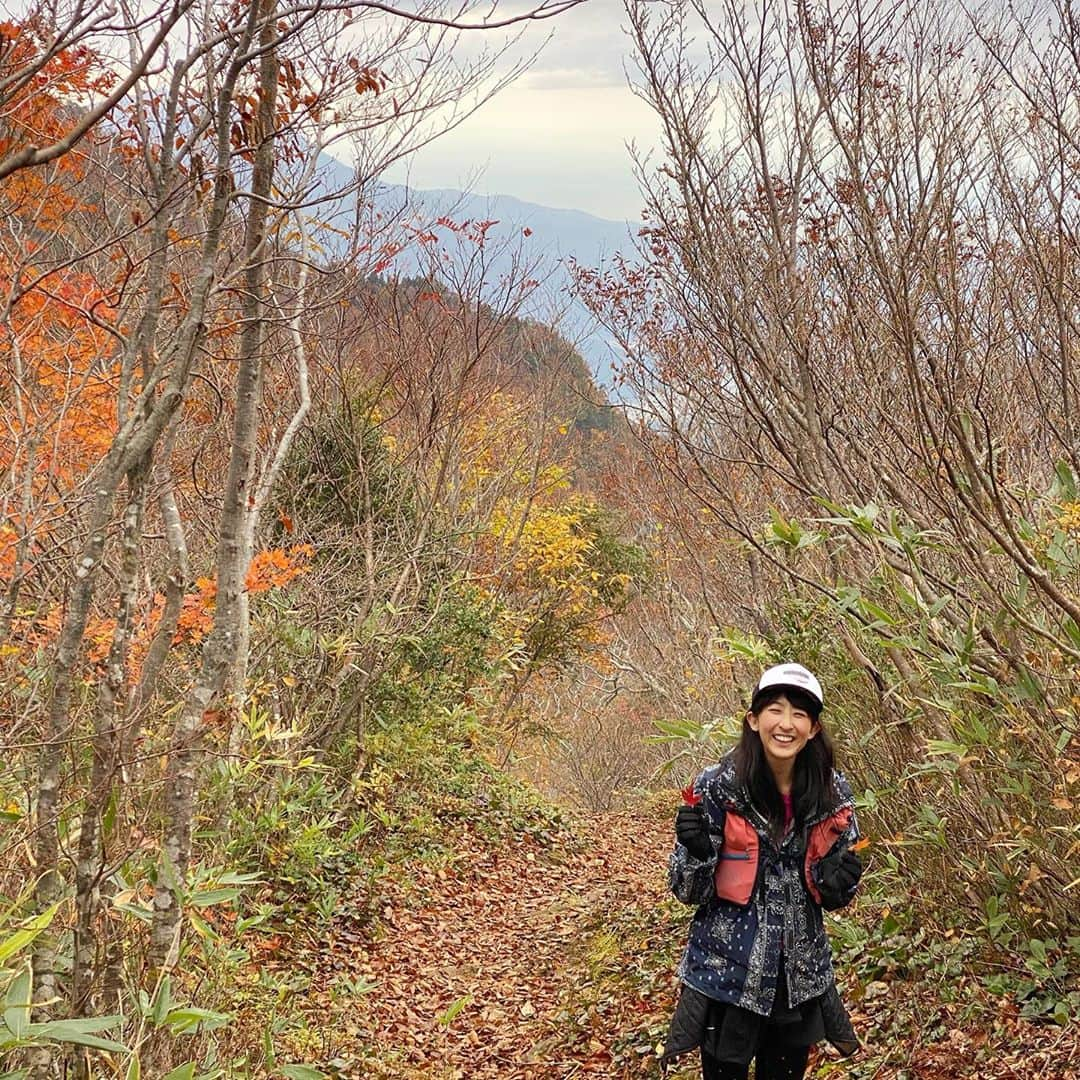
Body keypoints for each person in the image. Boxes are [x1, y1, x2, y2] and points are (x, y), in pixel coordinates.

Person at [661, 663, 863, 1080]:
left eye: (800, 714)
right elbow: (686, 888)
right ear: (753, 720)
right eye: (775, 709)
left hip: (798, 978)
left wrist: (839, 883)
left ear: (813, 728)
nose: (785, 724)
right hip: (726, 974)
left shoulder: (834, 793)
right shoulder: (717, 787)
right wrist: (697, 851)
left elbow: (836, 891)